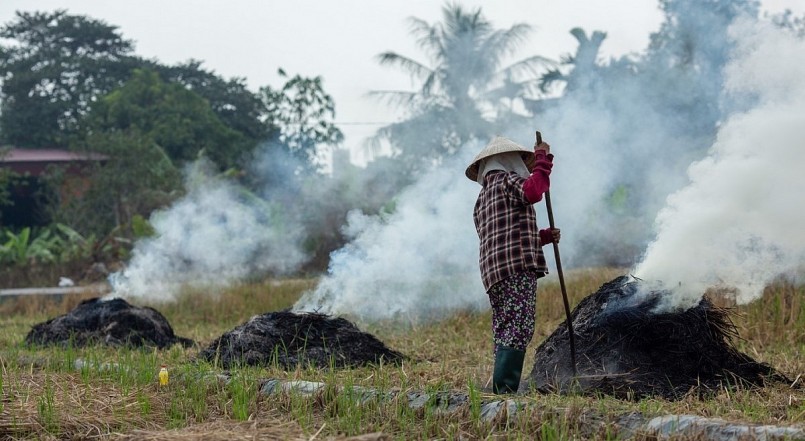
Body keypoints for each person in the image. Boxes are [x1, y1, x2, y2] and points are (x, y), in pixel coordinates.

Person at [465, 135, 560, 394]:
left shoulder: (481, 200)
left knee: (505, 326)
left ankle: (501, 386)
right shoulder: (508, 181)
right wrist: (542, 159)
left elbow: (503, 235)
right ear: (508, 161)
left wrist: (543, 237)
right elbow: (534, 191)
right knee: (519, 325)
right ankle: (505, 390)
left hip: (494, 273)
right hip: (516, 269)